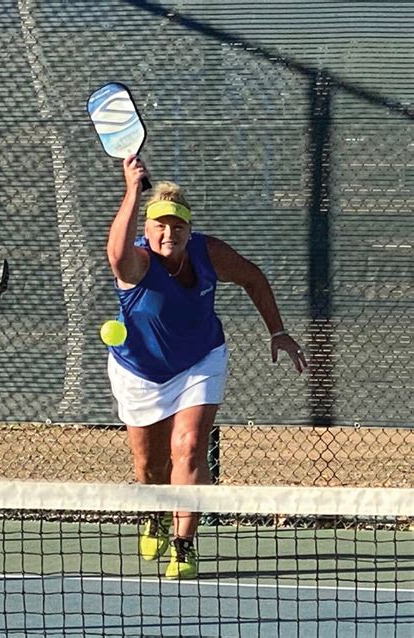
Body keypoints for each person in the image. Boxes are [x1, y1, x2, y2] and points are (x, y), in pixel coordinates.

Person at [106, 154, 307, 580]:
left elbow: (253, 277)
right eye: (159, 224)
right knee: (150, 466)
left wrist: (278, 332)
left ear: (189, 230)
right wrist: (129, 190)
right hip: (139, 372)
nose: (168, 233)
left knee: (190, 445)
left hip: (200, 359)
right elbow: (115, 254)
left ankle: (183, 545)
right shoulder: (137, 263)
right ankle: (155, 513)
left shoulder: (208, 253)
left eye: (177, 226)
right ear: (146, 229)